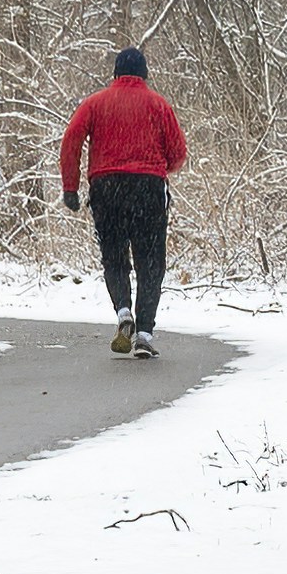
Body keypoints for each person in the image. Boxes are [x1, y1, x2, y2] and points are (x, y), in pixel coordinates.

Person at [60, 45, 187, 358]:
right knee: (150, 261)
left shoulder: (95, 103)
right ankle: (144, 332)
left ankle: (122, 312)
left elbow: (71, 141)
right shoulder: (158, 105)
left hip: (107, 187)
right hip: (148, 188)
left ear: (115, 74)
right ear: (144, 75)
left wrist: (71, 187)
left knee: (114, 257)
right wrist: (158, 170)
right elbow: (178, 153)